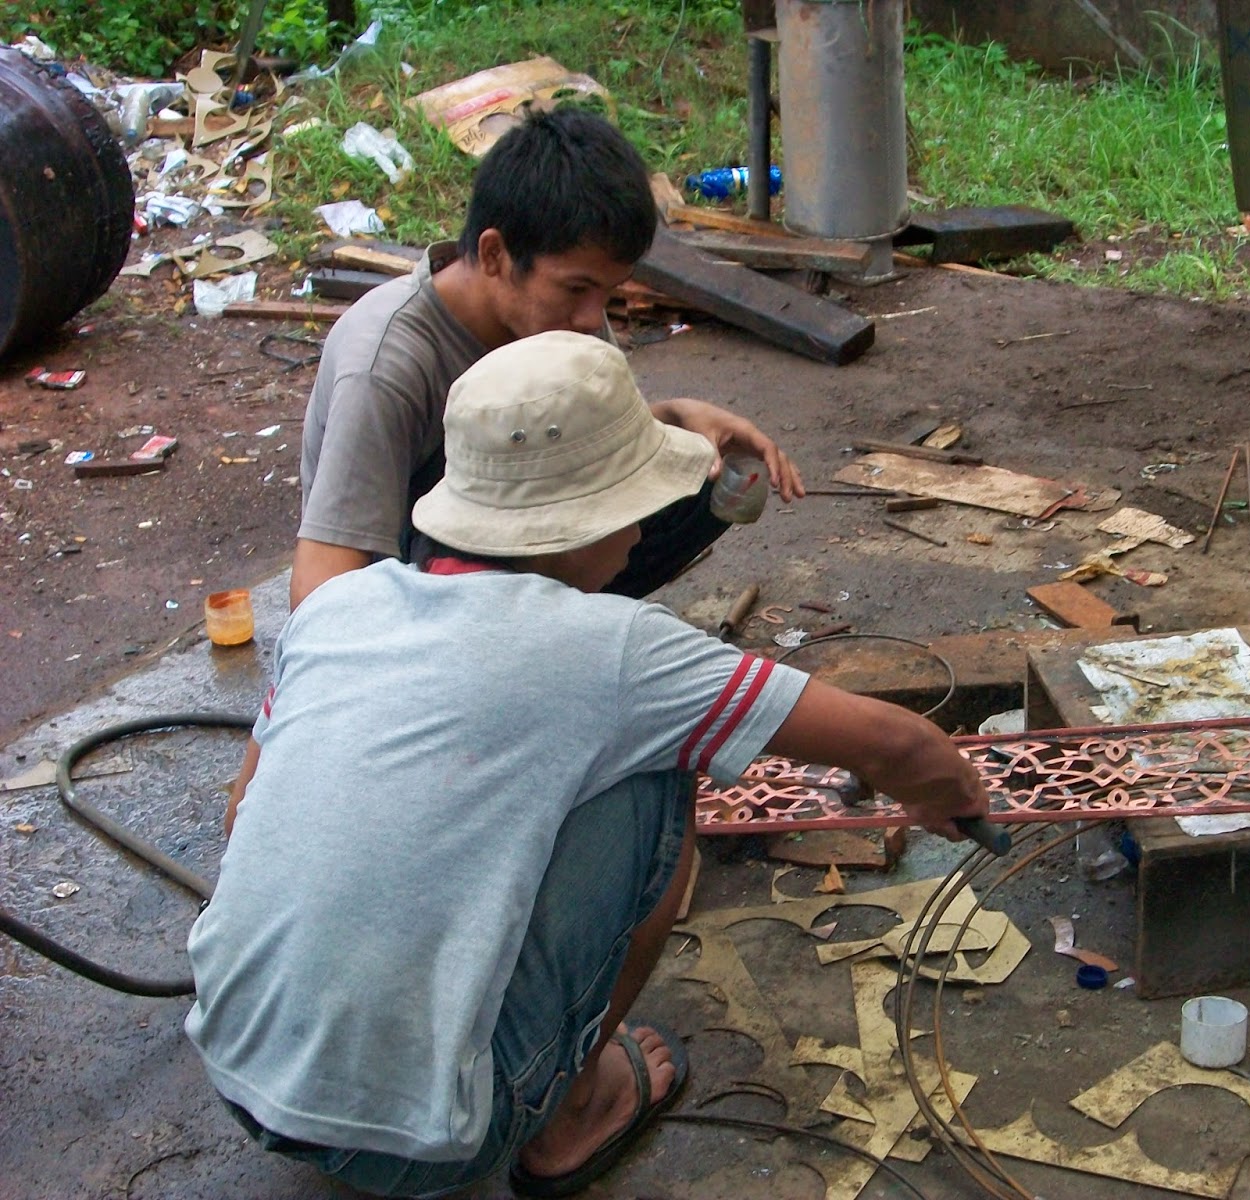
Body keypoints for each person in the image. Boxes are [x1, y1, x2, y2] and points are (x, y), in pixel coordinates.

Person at [186, 332, 990, 1199]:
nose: (644, 528)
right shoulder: (616, 652)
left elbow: (247, 812)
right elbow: (896, 747)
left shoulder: (342, 604)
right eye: (632, 506)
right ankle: (567, 1109)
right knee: (660, 769)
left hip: (234, 1067)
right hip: (428, 1148)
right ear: (580, 527)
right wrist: (956, 795)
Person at [290, 105, 803, 611]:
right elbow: (319, 595)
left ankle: (561, 636)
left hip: (507, 553)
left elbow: (566, 445)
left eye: (607, 291)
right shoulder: (387, 364)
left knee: (697, 477)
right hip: (417, 585)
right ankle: (522, 651)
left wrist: (673, 420)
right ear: (494, 255)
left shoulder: (562, 316)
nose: (591, 317)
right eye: (577, 288)